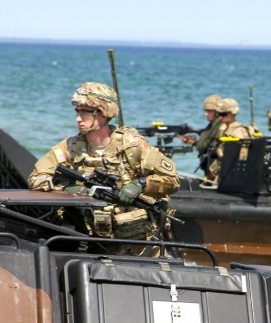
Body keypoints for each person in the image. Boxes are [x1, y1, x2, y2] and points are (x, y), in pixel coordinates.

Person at [27, 82, 180, 253]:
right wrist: (70, 189)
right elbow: (36, 178)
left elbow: (172, 181)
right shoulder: (70, 147)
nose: (78, 118)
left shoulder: (132, 146)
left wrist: (141, 184)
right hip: (92, 242)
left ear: (103, 113)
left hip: (139, 245)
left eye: (84, 112)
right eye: (77, 112)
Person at [181, 94, 224, 181]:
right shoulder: (212, 126)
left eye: (209, 111)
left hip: (216, 170)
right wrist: (193, 142)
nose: (206, 114)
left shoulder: (221, 127)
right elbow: (207, 144)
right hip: (210, 168)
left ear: (217, 112)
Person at [210, 97, 254, 182]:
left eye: (223, 114)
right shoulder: (224, 129)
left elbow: (243, 156)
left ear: (232, 114)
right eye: (219, 114)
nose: (220, 117)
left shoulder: (239, 131)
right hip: (223, 173)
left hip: (233, 176)